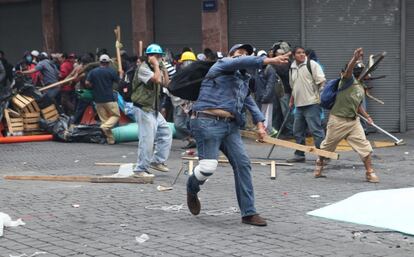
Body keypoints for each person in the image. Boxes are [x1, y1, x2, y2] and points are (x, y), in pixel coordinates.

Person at [187, 43, 290, 226]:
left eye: (246, 54)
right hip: (206, 122)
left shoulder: (243, 80)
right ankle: (192, 187)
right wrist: (269, 60)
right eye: (239, 53)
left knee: (243, 164)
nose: (242, 56)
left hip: (230, 127)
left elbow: (249, 102)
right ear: (231, 55)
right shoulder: (221, 65)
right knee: (208, 168)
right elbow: (242, 61)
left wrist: (260, 124)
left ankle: (248, 213)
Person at [314, 48, 379, 183]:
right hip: (337, 121)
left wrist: (367, 116)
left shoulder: (361, 87)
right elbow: (349, 70)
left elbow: (357, 104)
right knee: (326, 148)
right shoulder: (347, 81)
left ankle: (369, 172)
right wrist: (354, 59)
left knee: (365, 148)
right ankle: (319, 164)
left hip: (353, 122)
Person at [131, 43, 172, 178]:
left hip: (153, 108)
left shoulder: (158, 67)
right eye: (155, 56)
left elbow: (166, 83)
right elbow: (156, 80)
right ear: (148, 56)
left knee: (166, 132)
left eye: (159, 56)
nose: (157, 58)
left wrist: (164, 68)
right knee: (147, 140)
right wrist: (155, 65)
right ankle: (140, 169)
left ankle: (157, 161)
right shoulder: (143, 68)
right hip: (143, 108)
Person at [288, 46, 326, 163]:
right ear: (294, 55)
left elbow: (322, 81)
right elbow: (294, 86)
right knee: (297, 131)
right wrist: (291, 100)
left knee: (316, 130)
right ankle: (299, 155)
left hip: (312, 104)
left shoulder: (312, 64)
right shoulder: (292, 68)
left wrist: (319, 97)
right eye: (299, 53)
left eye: (303, 52)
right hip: (299, 105)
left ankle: (323, 155)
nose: (302, 55)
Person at [85, 54, 120, 144]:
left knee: (104, 119)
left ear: (100, 62)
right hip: (109, 98)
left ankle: (110, 140)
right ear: (108, 63)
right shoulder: (111, 71)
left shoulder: (93, 72)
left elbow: (87, 83)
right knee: (116, 115)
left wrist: (93, 86)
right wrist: (121, 74)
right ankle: (104, 127)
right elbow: (118, 81)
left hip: (98, 100)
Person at [253, 50, 278, 137]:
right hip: (259, 97)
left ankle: (267, 134)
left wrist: (266, 97)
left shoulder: (270, 69)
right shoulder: (258, 68)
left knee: (266, 118)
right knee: (261, 117)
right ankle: (267, 132)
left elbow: (270, 85)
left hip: (266, 98)